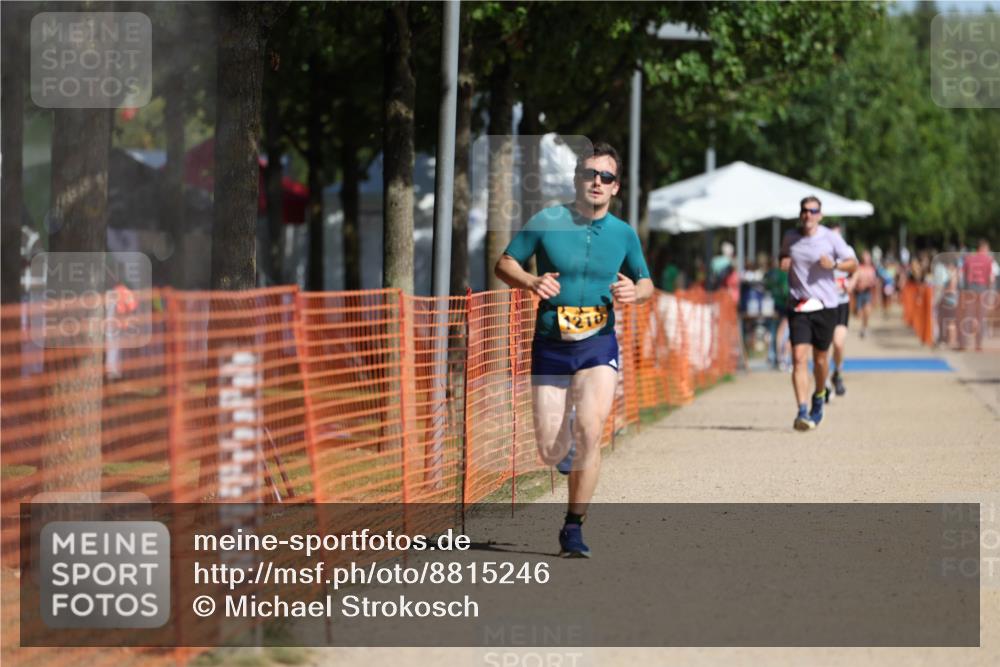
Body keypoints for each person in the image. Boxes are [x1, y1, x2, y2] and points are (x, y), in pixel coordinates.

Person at [494, 142, 653, 557]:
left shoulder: (623, 233)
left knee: (590, 431)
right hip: (550, 342)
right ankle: (561, 450)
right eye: (590, 174)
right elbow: (504, 263)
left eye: (606, 177)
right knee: (551, 449)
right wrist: (530, 282)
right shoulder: (547, 220)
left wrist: (635, 291)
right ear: (577, 179)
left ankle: (573, 526)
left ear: (616, 186)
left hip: (598, 343)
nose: (597, 182)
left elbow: (647, 282)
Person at [779, 196, 857, 431]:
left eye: (813, 211)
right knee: (799, 357)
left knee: (821, 359)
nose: (808, 215)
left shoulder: (831, 238)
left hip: (826, 306)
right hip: (799, 305)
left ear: (820, 215)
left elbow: (852, 264)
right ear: (800, 213)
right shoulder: (791, 238)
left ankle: (819, 395)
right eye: (805, 210)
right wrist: (783, 260)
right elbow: (783, 254)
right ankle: (802, 411)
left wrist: (833, 265)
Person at [827, 223, 857, 397]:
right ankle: (823, 385)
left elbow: (856, 270)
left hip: (841, 303)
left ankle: (837, 373)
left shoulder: (847, 251)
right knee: (823, 346)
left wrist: (851, 283)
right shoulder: (821, 252)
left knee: (838, 343)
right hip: (823, 303)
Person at [960, 239, 997, 351]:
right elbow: (990, 278)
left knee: (968, 317)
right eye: (987, 249)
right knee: (980, 318)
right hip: (982, 289)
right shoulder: (989, 260)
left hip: (970, 289)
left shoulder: (969, 259)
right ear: (983, 248)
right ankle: (978, 344)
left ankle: (964, 343)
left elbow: (963, 275)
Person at [853, 250, 878, 338]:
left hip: (867, 292)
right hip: (859, 293)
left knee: (867, 312)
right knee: (859, 314)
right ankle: (862, 326)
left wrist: (868, 284)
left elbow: (874, 282)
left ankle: (864, 328)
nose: (867, 259)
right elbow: (854, 280)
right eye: (865, 257)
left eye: (868, 257)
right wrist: (857, 286)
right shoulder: (858, 268)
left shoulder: (872, 269)